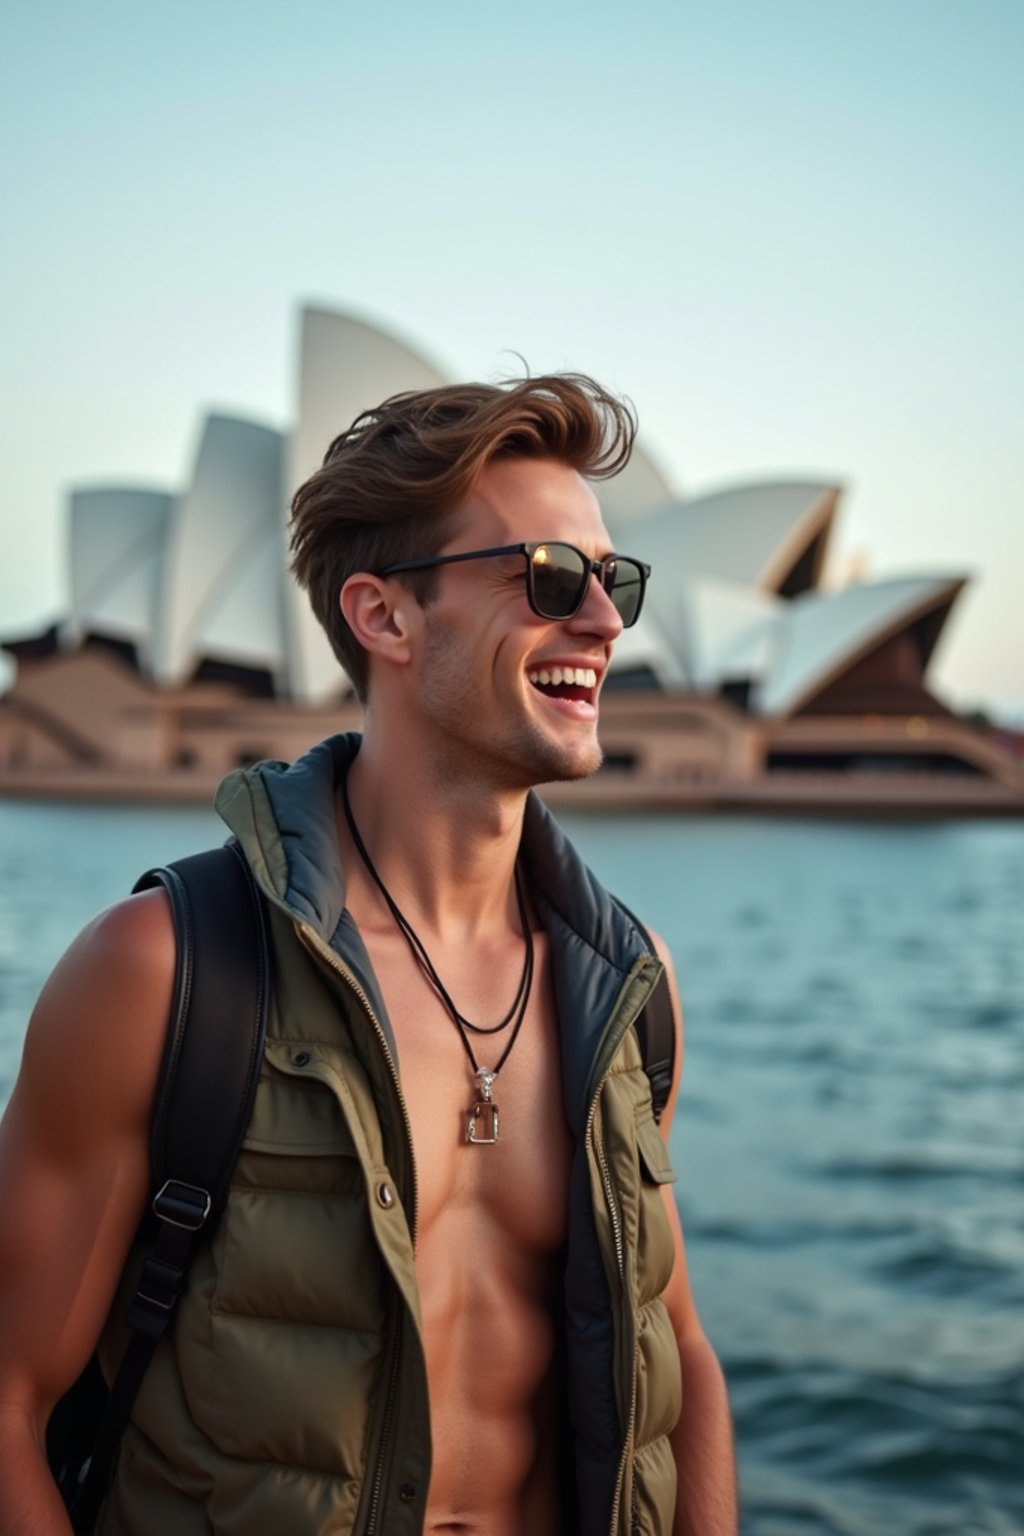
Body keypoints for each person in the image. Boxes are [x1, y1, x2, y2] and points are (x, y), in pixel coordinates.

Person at [0, 375, 737, 1535]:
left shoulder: (627, 986)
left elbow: (676, 1354)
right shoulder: (160, 976)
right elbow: (6, 1403)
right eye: (549, 577)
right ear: (384, 617)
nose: (603, 625)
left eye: (615, 582)